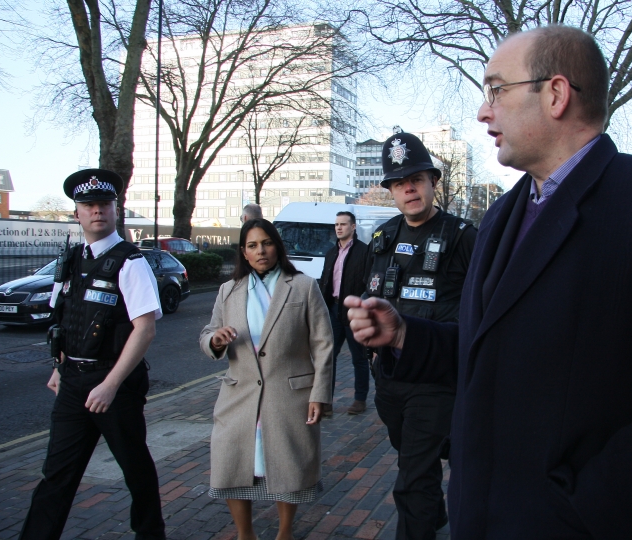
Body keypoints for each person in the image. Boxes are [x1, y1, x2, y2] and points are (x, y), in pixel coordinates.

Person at [345, 25, 632, 540]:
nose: (482, 112)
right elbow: (491, 348)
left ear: (555, 93)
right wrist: (405, 334)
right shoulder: (500, 216)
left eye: (496, 90)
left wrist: (583, 509)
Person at [20, 169, 165, 540]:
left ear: (115, 210)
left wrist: (111, 384)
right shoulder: (72, 260)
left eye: (104, 204)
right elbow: (66, 321)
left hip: (114, 385)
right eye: (88, 205)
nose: (97, 210)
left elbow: (144, 329)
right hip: (73, 384)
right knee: (57, 474)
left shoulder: (130, 262)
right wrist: (60, 366)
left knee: (136, 471)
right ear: (77, 214)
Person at [364, 132, 476, 540]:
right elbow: (372, 294)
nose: (408, 188)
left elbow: (482, 309)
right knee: (413, 458)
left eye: (416, 179)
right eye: (398, 182)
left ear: (433, 182)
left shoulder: (464, 237)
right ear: (391, 191)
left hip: (435, 378)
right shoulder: (383, 237)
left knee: (411, 477)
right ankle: (435, 514)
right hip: (390, 378)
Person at [199, 219, 332, 540]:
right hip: (238, 395)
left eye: (267, 243)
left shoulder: (303, 286)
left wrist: (320, 394)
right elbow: (207, 333)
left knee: (289, 466)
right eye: (252, 245)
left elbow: (323, 342)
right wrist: (215, 340)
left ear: (277, 246)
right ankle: (246, 534)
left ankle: (285, 532)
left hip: (289, 395)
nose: (261, 251)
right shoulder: (228, 291)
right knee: (232, 462)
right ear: (243, 253)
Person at [318, 211, 369, 416]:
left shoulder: (364, 252)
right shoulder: (331, 252)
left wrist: (362, 307)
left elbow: (369, 283)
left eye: (343, 224)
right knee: (328, 356)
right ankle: (326, 402)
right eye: (337, 224)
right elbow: (324, 281)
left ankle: (360, 399)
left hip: (354, 311)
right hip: (333, 309)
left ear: (353, 227)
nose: (339, 228)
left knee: (359, 357)